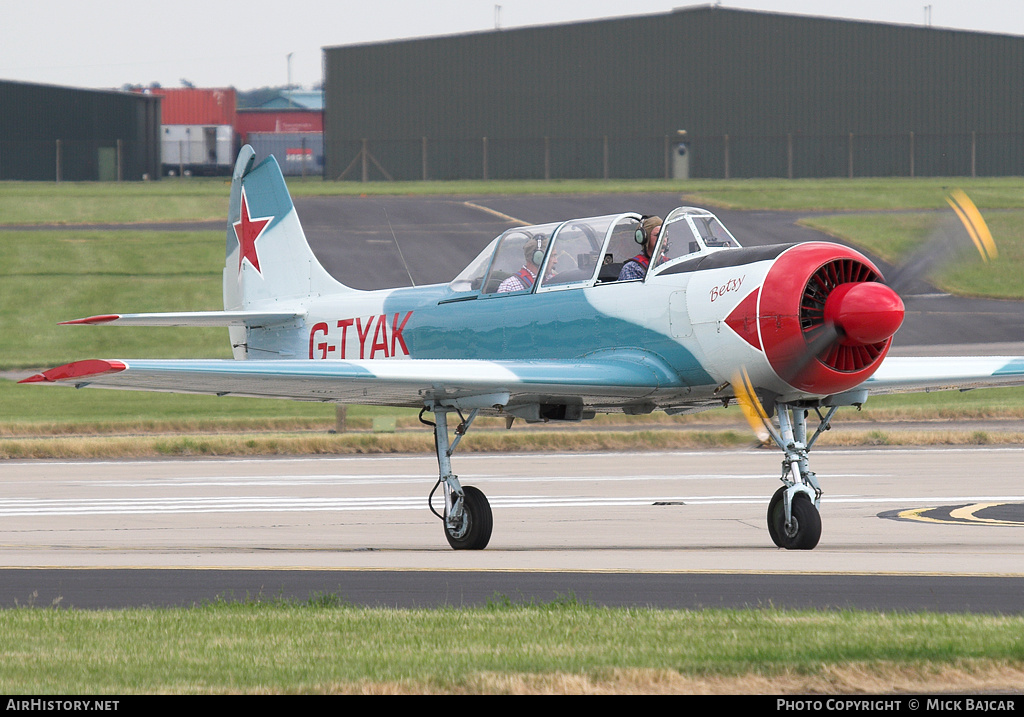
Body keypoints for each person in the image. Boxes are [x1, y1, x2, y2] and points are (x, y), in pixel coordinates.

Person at [617, 215, 662, 281]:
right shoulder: (632, 268)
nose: (664, 239)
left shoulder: (670, 263)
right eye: (658, 235)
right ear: (644, 238)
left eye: (665, 235)